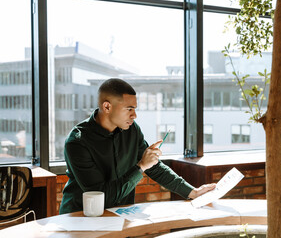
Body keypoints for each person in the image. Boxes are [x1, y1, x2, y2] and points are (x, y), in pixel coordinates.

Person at [59, 78, 216, 214]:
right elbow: (102, 195)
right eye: (129, 109)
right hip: (79, 218)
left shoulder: (132, 129)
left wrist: (192, 192)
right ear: (107, 107)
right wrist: (141, 166)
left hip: (119, 215)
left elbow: (154, 167)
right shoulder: (77, 142)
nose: (134, 115)